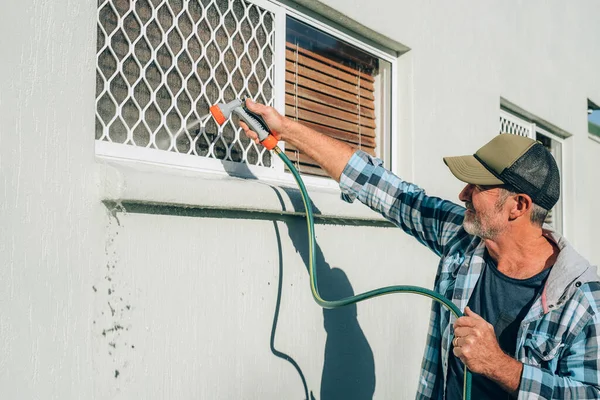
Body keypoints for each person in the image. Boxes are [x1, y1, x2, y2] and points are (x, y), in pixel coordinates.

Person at [238, 99, 600, 399]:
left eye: (477, 187)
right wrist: (285, 130)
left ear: (517, 206)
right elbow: (383, 188)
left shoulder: (583, 298)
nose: (462, 195)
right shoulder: (464, 240)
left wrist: (500, 365)